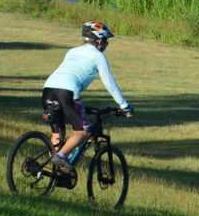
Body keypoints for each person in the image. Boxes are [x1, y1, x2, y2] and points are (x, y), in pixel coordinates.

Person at [42, 21, 133, 171]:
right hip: (67, 92)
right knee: (83, 131)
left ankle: (52, 171)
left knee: (57, 132)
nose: (106, 45)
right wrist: (124, 106)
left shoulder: (72, 51)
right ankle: (61, 156)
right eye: (106, 41)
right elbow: (110, 83)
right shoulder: (98, 56)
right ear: (98, 41)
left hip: (48, 89)